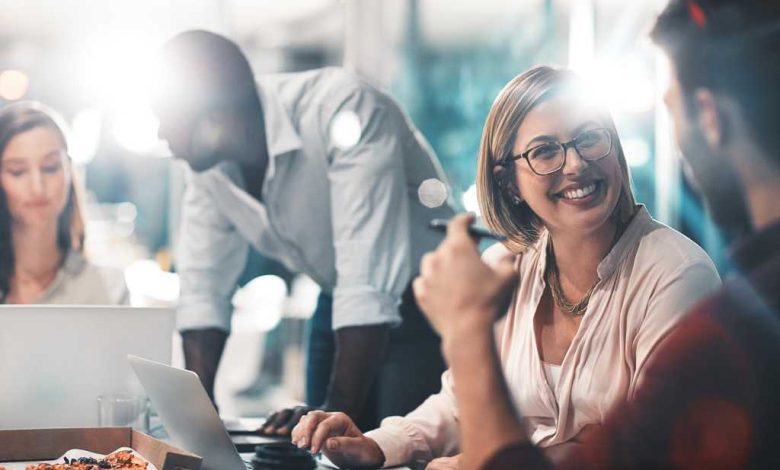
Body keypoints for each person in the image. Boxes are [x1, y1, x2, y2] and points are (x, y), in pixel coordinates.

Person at [321, 0, 780, 468]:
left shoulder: (678, 275)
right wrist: (382, 444)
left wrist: (466, 457)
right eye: (544, 152)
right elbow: (461, 405)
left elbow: (630, 449)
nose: (577, 163)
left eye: (590, 138)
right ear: (507, 182)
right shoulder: (505, 268)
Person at [153, 30, 455, 433]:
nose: (160, 133)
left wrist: (329, 421)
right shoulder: (210, 168)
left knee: (394, 451)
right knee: (313, 445)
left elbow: (366, 284)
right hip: (338, 300)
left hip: (427, 302)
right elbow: (203, 287)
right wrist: (199, 421)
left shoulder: (341, 109)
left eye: (165, 117)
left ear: (214, 119)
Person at [0, 102, 128, 305]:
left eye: (50, 167)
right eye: (17, 171)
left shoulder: (109, 288)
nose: (37, 187)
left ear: (69, 172)